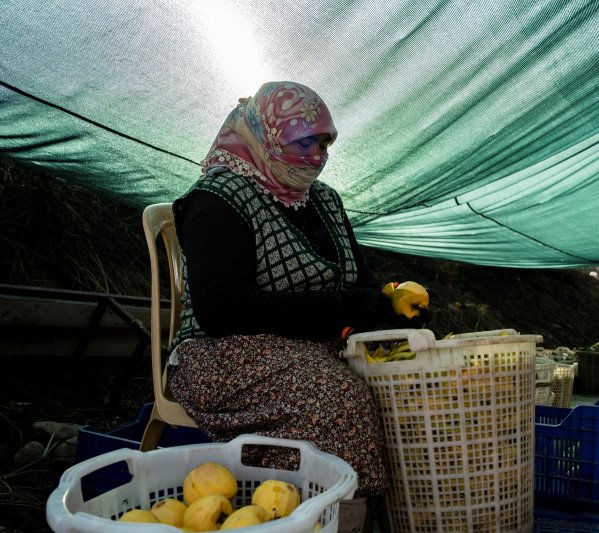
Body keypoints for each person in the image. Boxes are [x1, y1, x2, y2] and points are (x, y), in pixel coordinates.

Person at [167, 81, 422, 532]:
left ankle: (399, 517)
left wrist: (390, 302)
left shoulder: (322, 199)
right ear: (264, 136)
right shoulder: (216, 201)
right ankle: (336, 520)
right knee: (337, 399)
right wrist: (348, 306)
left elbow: (357, 281)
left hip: (313, 343)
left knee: (412, 371)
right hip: (223, 354)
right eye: (305, 142)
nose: (318, 156)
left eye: (325, 143)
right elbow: (224, 310)